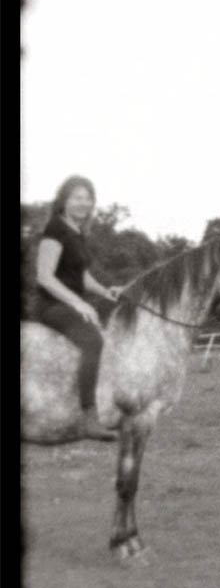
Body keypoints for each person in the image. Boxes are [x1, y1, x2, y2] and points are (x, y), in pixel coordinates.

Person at [35, 175, 121, 441]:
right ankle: (88, 419)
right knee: (93, 342)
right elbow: (44, 277)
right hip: (52, 305)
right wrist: (78, 302)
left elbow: (81, 277)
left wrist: (105, 291)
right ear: (64, 200)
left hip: (71, 304)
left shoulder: (77, 232)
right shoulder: (55, 229)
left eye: (88, 198)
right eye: (77, 197)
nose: (83, 203)